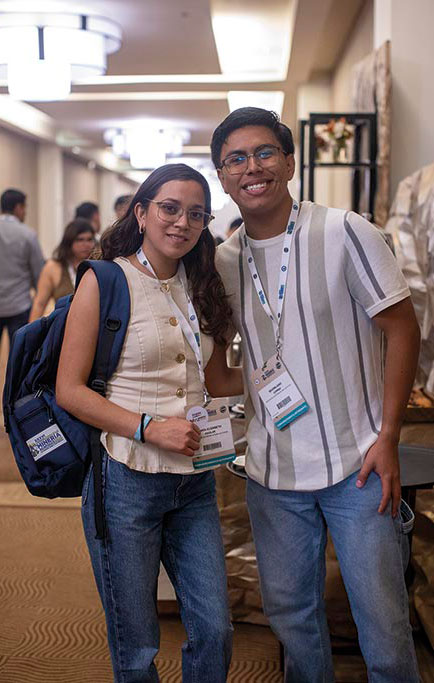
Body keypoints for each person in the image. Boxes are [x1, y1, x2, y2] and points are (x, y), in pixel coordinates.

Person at [205, 107, 421, 683]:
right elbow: (222, 371)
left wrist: (389, 436)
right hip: (272, 474)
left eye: (264, 153)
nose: (251, 168)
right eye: (235, 159)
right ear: (222, 178)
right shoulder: (223, 262)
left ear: (290, 162)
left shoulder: (346, 231)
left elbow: (402, 329)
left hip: (358, 466)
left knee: (384, 631)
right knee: (292, 622)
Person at [56, 164, 240, 683]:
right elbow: (70, 390)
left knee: (215, 630)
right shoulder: (105, 280)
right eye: (170, 208)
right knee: (136, 644)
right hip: (125, 479)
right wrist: (147, 426)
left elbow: (217, 378)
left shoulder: (202, 285)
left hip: (194, 481)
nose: (183, 222)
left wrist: (281, 376)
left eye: (197, 214)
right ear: (141, 213)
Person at [0, 188, 45, 344]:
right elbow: (39, 272)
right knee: (18, 352)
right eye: (25, 208)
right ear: (18, 207)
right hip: (19, 305)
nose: (25, 213)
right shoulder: (28, 234)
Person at [29, 218, 95, 321]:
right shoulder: (53, 268)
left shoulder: (98, 266)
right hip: (62, 325)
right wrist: (30, 329)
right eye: (80, 240)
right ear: (69, 242)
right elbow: (40, 304)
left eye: (89, 239)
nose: (86, 244)